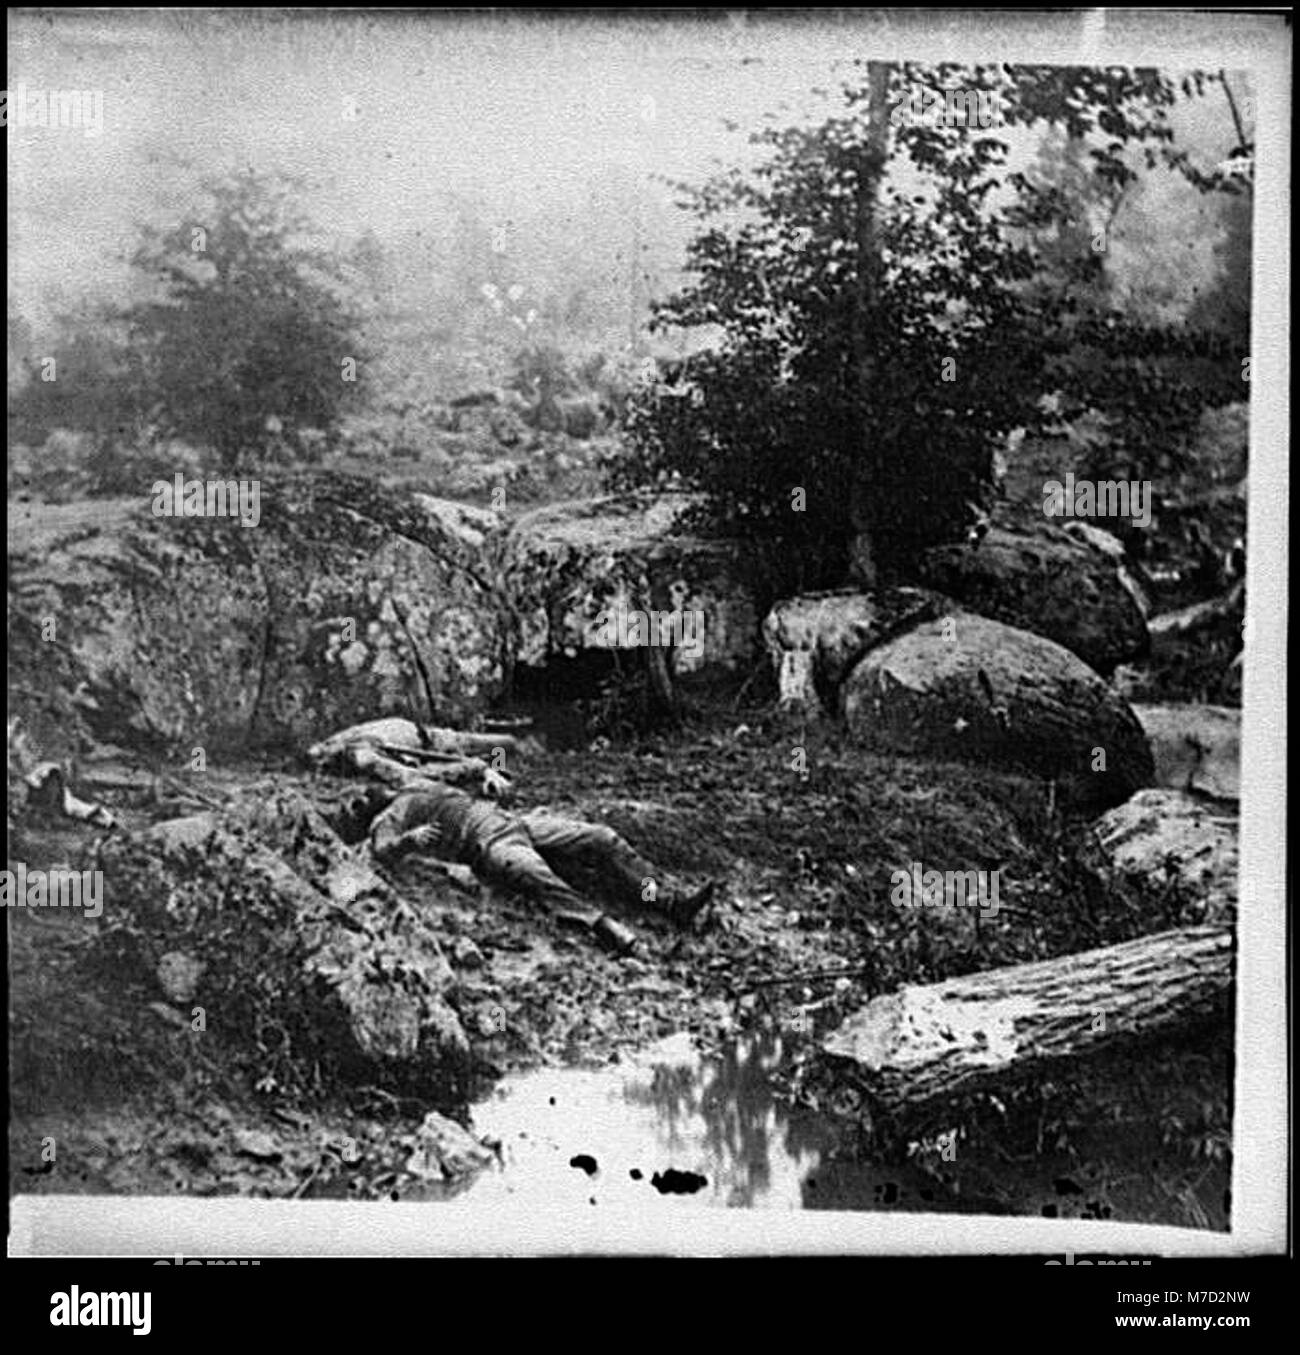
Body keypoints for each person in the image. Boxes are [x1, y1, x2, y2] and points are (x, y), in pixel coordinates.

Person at [308, 719, 715, 955]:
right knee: (536, 875)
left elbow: (455, 767)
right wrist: (410, 841)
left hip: (516, 822)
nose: (362, 796)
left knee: (602, 837)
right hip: (493, 847)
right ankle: (605, 926)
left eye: (359, 794)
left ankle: (667, 901)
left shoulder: (411, 785)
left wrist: (485, 772)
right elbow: (382, 851)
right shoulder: (390, 818)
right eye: (357, 804)